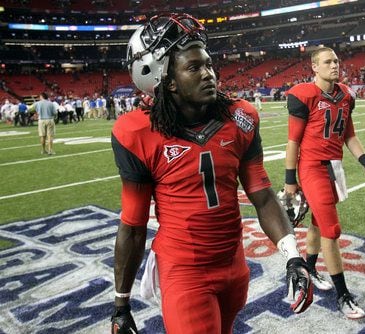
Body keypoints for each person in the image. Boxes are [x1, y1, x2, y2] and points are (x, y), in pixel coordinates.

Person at [110, 13, 312, 334]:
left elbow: (261, 194)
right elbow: (133, 225)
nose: (208, 74)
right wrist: (121, 304)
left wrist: (292, 256)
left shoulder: (240, 117)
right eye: (193, 67)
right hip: (184, 272)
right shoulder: (137, 132)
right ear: (167, 80)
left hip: (234, 265)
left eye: (208, 64)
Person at [284, 47, 365, 320]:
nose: (334, 65)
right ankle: (343, 295)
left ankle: (310, 268)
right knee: (331, 229)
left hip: (334, 168)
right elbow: (293, 142)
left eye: (336, 61)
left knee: (317, 223)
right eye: (327, 62)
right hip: (312, 168)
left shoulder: (347, 94)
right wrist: (290, 182)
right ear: (314, 67)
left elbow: (350, 136)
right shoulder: (304, 95)